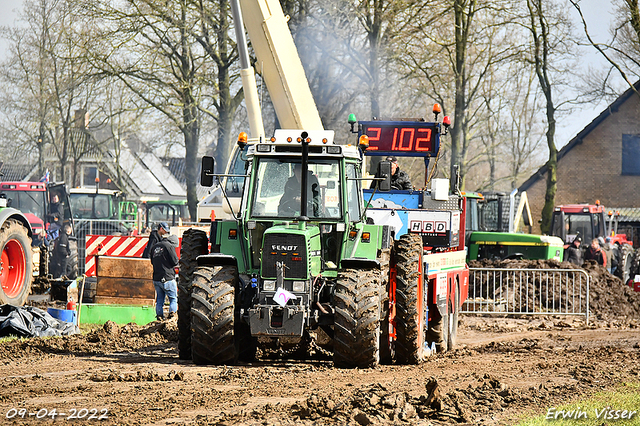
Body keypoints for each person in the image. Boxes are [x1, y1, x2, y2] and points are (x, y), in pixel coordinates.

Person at [151, 233, 180, 321]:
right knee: (173, 299)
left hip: (156, 278)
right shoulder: (169, 246)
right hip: (167, 278)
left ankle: (159, 317)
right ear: (173, 243)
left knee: (159, 300)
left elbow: (152, 262)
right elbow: (175, 261)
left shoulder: (154, 247)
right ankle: (172, 318)